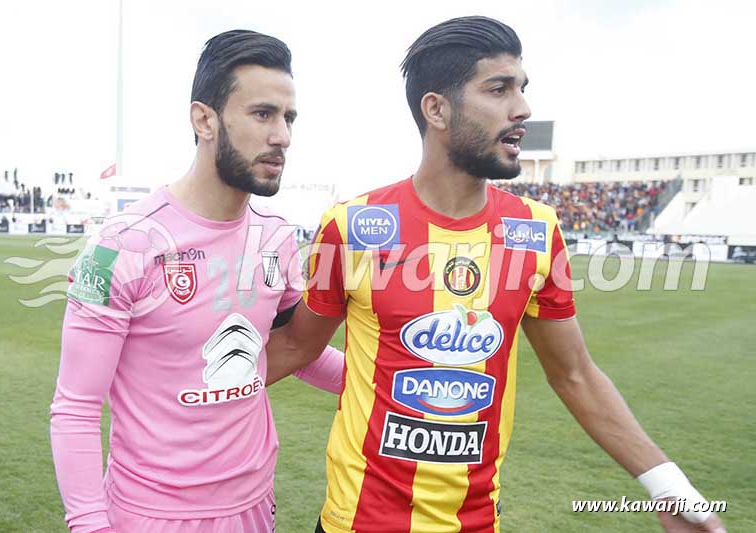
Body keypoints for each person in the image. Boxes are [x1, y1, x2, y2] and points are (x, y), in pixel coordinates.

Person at [265, 16, 725, 533]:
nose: (522, 108)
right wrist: (176, 402)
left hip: (477, 523)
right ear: (436, 108)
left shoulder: (536, 229)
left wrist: (670, 485)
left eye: (522, 89)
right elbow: (295, 347)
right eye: (499, 88)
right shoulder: (352, 227)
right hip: (357, 522)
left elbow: (574, 373)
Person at [50, 30, 343, 533]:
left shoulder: (274, 238)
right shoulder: (120, 245)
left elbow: (298, 348)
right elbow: (75, 408)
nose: (283, 136)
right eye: (262, 114)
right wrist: (90, 524)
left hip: (254, 507)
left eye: (288, 118)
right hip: (151, 517)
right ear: (204, 119)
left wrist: (389, 384)